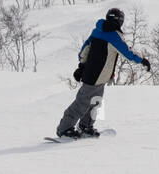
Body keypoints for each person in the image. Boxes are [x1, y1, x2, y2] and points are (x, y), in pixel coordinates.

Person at [57, 7, 150, 138]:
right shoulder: (114, 35)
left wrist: (81, 65)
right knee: (82, 103)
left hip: (97, 75)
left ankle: (86, 126)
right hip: (96, 76)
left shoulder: (97, 31)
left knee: (96, 102)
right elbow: (127, 53)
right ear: (120, 21)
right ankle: (64, 128)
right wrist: (142, 60)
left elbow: (84, 50)